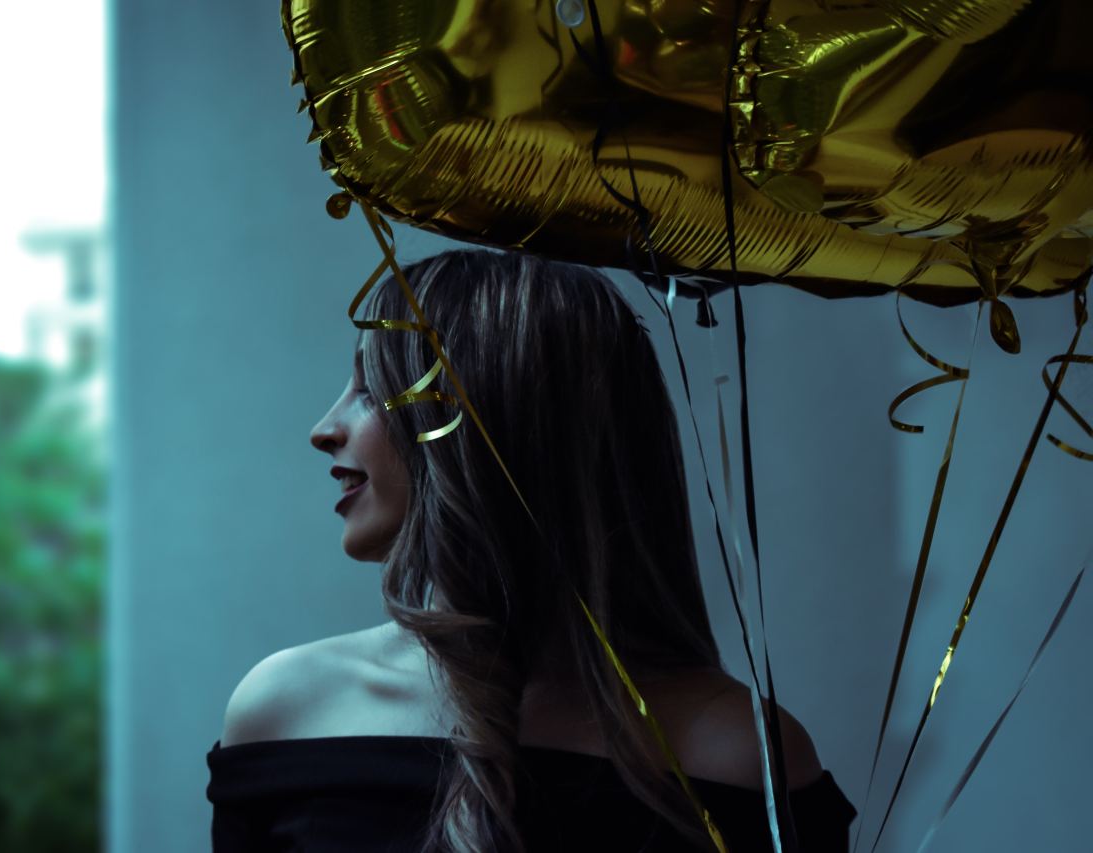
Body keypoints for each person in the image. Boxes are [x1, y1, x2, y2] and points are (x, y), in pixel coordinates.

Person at [206, 249, 857, 851]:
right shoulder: (285, 710)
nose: (324, 429)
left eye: (371, 390)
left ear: (497, 415)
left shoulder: (740, 758)